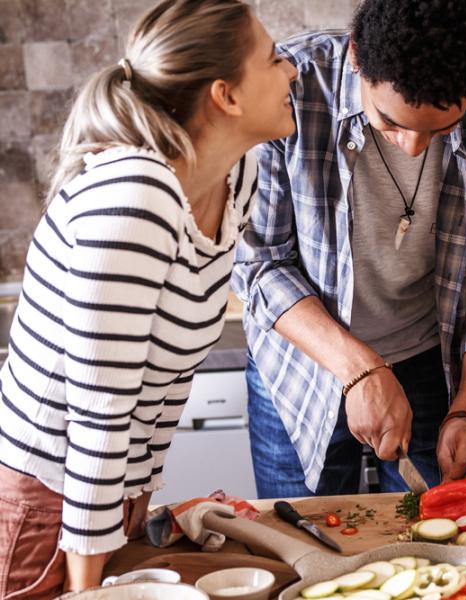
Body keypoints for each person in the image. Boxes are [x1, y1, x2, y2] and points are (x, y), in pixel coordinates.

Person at [0, 0, 297, 595]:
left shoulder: (236, 180)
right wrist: (90, 591)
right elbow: (100, 415)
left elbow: (158, 386)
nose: (290, 68)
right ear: (226, 96)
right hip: (49, 505)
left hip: (114, 503)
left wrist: (138, 504)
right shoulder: (134, 195)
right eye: (270, 59)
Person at [232, 0, 466, 498]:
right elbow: (259, 263)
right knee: (303, 538)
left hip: (429, 361)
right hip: (301, 363)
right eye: (390, 122)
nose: (413, 147)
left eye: (440, 129)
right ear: (357, 56)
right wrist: (361, 370)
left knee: (432, 541)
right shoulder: (287, 88)